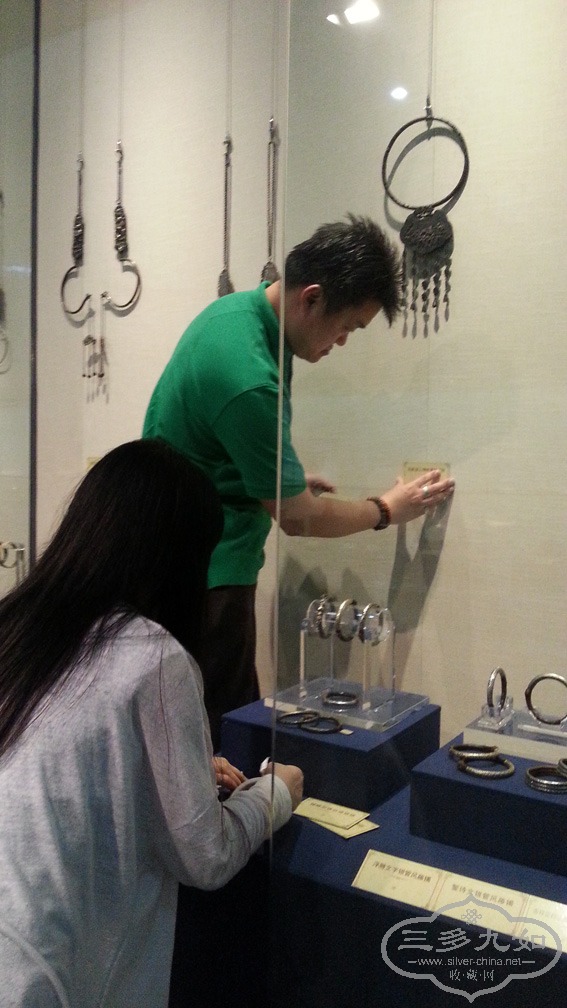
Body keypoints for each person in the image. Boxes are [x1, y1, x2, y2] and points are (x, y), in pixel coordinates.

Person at [0, 438, 303, 1008]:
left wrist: (176, 773)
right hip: (46, 973)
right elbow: (205, 856)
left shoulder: (17, 625)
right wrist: (276, 793)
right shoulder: (153, 656)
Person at [143, 214, 455, 748]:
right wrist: (386, 509)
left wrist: (270, 474)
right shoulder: (249, 374)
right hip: (204, 577)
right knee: (219, 743)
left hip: (182, 560)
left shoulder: (236, 316)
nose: (343, 341)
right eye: (348, 326)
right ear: (311, 298)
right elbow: (299, 519)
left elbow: (208, 445)